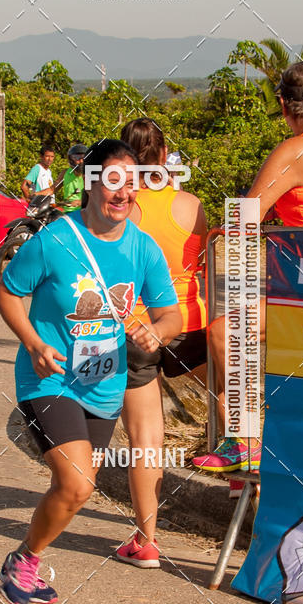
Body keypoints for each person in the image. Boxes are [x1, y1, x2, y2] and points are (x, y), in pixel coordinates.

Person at [0, 139, 181, 604]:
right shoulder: (55, 239)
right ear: (92, 183)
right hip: (49, 378)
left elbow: (171, 314)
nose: (122, 193)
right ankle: (25, 564)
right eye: (112, 181)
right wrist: (33, 343)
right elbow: (9, 291)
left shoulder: (143, 249)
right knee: (78, 482)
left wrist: (156, 333)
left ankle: (26, 556)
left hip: (104, 384)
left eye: (131, 182)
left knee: (74, 491)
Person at [194, 61, 303, 473]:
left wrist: (218, 232)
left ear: (283, 104)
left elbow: (244, 218)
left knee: (225, 332)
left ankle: (247, 438)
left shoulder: (300, 149)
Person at [116, 118, 207, 565]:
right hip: (192, 323)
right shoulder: (192, 205)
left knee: (146, 440)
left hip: (140, 329)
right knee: (232, 401)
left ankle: (146, 541)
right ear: (165, 151)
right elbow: (206, 266)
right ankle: (237, 479)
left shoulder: (124, 208)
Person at [54, 143, 87, 212]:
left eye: (83, 158)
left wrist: (80, 202)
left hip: (83, 213)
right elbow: (52, 189)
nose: (81, 161)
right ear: (71, 159)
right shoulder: (65, 173)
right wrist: (37, 194)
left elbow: (96, 197)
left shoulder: (91, 175)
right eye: (77, 158)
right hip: (67, 213)